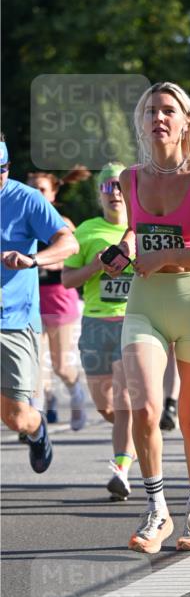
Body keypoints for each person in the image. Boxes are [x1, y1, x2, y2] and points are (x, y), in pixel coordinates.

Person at [104, 82, 190, 554]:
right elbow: (135, 234)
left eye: (168, 111)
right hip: (144, 303)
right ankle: (156, 509)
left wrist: (167, 257)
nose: (159, 118)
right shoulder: (130, 179)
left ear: (185, 123)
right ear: (142, 123)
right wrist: (122, 251)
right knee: (144, 407)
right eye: (151, 111)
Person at [0, 135, 79, 472]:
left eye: (1, 169)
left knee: (16, 417)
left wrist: (33, 259)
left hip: (14, 320)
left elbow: (69, 243)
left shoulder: (26, 199)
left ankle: (37, 429)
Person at [62, 163, 137, 499]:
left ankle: (121, 470)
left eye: (121, 186)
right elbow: (67, 280)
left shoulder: (142, 228)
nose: (115, 194)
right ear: (100, 194)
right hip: (94, 323)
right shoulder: (87, 231)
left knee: (124, 400)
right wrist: (98, 264)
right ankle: (134, 437)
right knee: (105, 405)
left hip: (131, 322)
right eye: (109, 187)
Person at [26, 170, 87, 430]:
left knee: (61, 364)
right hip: (30, 301)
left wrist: (45, 264)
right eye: (31, 189)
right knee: (34, 363)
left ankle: (76, 395)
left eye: (41, 189)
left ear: (52, 193)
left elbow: (75, 259)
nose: (35, 194)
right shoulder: (22, 220)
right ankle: (37, 416)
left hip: (60, 300)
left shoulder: (63, 223)